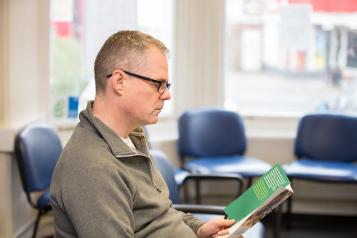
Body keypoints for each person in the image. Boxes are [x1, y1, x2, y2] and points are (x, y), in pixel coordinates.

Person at [50, 30, 239, 238]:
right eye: (157, 84)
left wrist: (198, 229)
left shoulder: (130, 138)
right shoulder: (92, 167)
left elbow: (158, 214)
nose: (167, 95)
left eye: (166, 85)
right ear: (120, 81)